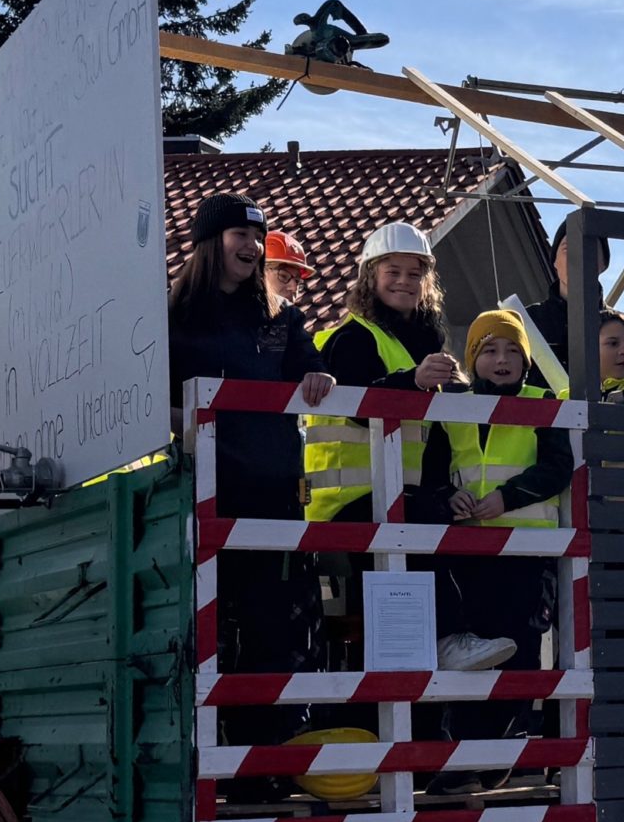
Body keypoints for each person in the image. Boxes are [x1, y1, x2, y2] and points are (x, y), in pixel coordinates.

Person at [167, 195, 334, 728]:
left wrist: (319, 376)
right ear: (210, 242)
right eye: (240, 234)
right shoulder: (170, 316)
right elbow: (146, 395)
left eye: (258, 237)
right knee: (211, 623)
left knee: (276, 619)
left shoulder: (280, 316)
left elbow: (311, 366)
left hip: (274, 490)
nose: (253, 246)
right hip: (200, 490)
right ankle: (213, 748)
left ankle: (273, 743)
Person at [419, 309, 577, 775]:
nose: (501, 359)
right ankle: (470, 758)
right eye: (489, 350)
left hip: (528, 555)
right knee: (475, 654)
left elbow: (556, 468)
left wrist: (505, 499)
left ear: (527, 361)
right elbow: (432, 476)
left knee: (521, 650)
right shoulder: (452, 406)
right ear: (472, 359)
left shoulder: (543, 400)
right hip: (469, 556)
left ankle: (501, 756)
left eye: (512, 350)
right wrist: (451, 498)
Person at [303, 221, 464, 523]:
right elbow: (360, 406)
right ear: (369, 277)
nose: (404, 281)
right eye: (393, 272)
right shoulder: (351, 338)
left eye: (414, 274)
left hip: (402, 497)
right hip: (346, 506)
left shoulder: (422, 345)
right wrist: (415, 380)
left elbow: (433, 436)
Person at [526, 227, 611, 368]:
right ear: (555, 261)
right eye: (568, 249)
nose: (578, 256)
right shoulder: (526, 321)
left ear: (603, 264)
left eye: (588, 247)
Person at [262, 229, 318, 319]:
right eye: (283, 276)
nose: (294, 288)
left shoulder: (291, 327)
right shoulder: (234, 320)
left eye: (297, 281)